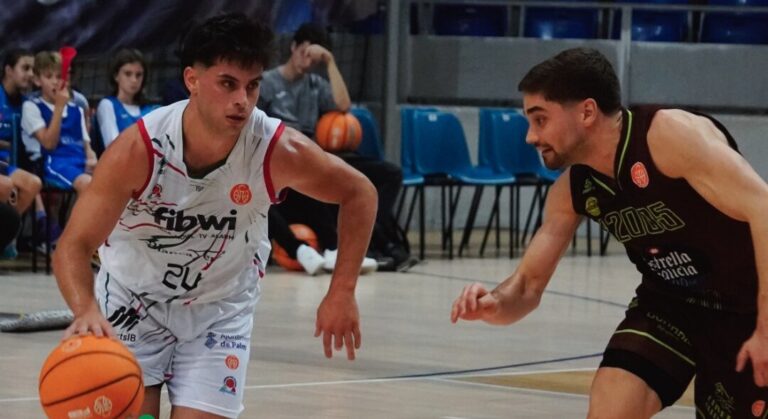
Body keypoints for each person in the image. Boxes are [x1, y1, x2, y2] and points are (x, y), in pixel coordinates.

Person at [53, 13, 377, 419]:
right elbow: (74, 245)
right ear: (192, 79)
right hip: (133, 300)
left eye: (252, 86)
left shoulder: (276, 149)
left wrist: (342, 289)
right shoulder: (139, 150)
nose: (242, 100)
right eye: (228, 83)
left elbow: (359, 192)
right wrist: (85, 309)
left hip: (220, 307)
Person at [450, 47, 768, 417]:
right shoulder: (573, 190)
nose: (530, 137)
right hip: (668, 304)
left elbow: (763, 208)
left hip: (747, 307)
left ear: (586, 112)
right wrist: (494, 304)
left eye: (540, 120)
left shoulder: (668, 136)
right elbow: (526, 286)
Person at [258, 23, 413, 271]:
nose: (308, 61)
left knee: (389, 174)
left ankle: (369, 232)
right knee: (319, 178)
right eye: (305, 53)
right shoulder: (267, 83)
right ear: (294, 47)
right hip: (284, 157)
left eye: (314, 58)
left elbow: (343, 105)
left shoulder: (315, 84)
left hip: (315, 152)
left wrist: (329, 62)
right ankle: (346, 244)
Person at [21, 51, 96, 195]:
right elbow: (49, 144)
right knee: (88, 184)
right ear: (37, 80)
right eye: (49, 76)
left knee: (114, 181)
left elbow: (87, 146)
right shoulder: (31, 107)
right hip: (53, 162)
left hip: (79, 160)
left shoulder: (77, 110)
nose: (55, 82)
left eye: (59, 76)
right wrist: (59, 107)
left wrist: (92, 159)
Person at [1, 48, 45, 256]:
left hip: (7, 164)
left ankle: (7, 236)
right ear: (9, 70)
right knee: (6, 186)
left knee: (33, 183)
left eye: (33, 69)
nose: (30, 74)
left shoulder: (28, 104)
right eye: (25, 68)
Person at [95, 48, 158, 153]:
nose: (134, 80)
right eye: (128, 74)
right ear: (116, 76)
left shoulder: (149, 110)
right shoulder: (107, 105)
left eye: (138, 75)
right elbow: (112, 146)